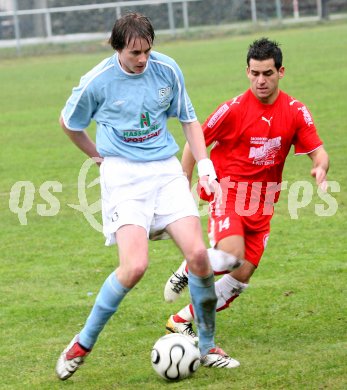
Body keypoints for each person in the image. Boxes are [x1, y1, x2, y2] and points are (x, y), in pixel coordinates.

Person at [55, 12, 241, 381]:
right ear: (117, 48)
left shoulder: (167, 69)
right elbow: (69, 123)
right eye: (134, 52)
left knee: (199, 258)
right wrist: (97, 156)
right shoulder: (98, 81)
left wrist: (204, 164)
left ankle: (207, 346)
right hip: (123, 177)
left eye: (147, 50)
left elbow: (188, 118)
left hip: (165, 171)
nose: (142, 59)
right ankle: (81, 344)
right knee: (134, 267)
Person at [163, 38, 330, 365]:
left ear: (281, 71)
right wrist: (184, 180)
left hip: (263, 205)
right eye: (254, 73)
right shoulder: (234, 109)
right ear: (247, 72)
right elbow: (196, 140)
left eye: (268, 73)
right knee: (231, 254)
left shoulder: (295, 112)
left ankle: (181, 320)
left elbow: (318, 150)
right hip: (229, 194)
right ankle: (190, 265)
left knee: (241, 276)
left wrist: (320, 166)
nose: (261, 80)